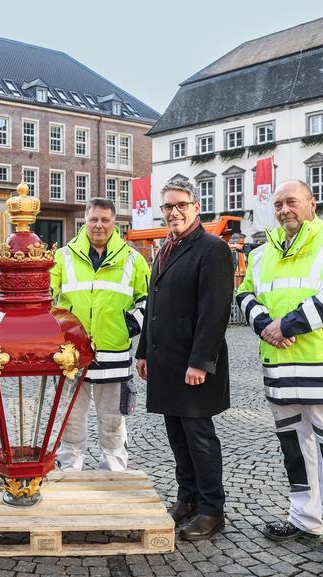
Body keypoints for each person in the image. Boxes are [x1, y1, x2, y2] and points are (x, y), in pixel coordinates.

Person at [235, 179, 323, 577]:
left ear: (312, 203)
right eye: (277, 204)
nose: (283, 209)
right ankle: (304, 518)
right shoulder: (259, 254)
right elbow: (244, 294)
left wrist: (284, 325)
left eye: (291, 201)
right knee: (294, 449)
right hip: (280, 369)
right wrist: (265, 326)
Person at [135, 180, 233, 541]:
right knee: (177, 436)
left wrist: (200, 362)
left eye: (180, 205)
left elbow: (215, 311)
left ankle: (212, 509)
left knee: (200, 438)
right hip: (166, 362)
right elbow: (154, 305)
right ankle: (187, 498)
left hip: (193, 365)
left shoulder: (213, 249)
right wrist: (143, 351)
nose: (173, 212)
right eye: (167, 207)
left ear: (196, 207)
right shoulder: (165, 248)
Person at [49, 198, 150, 471]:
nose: (99, 225)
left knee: (113, 417)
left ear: (114, 222)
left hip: (114, 349)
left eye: (105, 220)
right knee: (69, 415)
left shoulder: (133, 259)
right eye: (94, 219)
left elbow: (147, 299)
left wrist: (130, 325)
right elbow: (47, 297)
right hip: (72, 353)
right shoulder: (63, 256)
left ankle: (114, 468)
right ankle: (69, 466)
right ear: (85, 220)